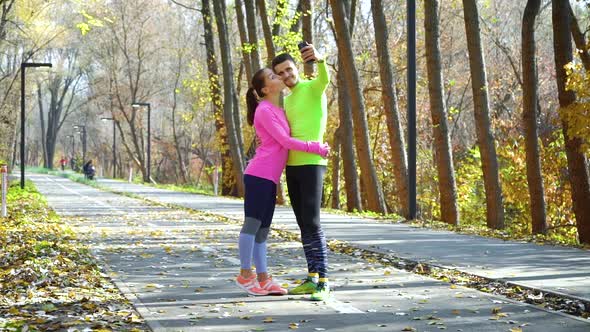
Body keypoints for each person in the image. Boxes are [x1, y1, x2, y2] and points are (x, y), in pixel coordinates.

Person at [236, 67, 330, 296]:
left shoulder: (278, 108)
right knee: (251, 224)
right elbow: (285, 141)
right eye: (273, 76)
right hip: (259, 174)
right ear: (266, 89)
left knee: (263, 230)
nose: (279, 77)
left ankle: (264, 278)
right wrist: (314, 147)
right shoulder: (265, 110)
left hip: (269, 178)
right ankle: (245, 275)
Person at [271, 43, 331, 301]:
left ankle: (324, 282)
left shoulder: (313, 88)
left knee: (313, 223)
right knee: (303, 224)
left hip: (312, 164)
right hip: (292, 166)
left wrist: (319, 59)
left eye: (288, 70)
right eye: (280, 73)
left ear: (296, 67)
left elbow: (325, 78)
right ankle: (311, 277)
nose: (286, 76)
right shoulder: (287, 100)